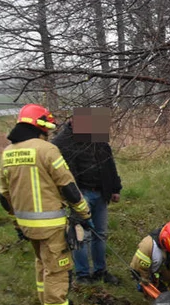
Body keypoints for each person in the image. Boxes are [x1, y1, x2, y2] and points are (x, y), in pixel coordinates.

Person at [0, 103, 92, 305]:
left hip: (27, 226)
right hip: (51, 226)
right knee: (57, 272)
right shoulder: (46, 150)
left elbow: (4, 196)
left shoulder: (8, 153)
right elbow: (68, 186)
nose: (49, 132)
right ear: (39, 126)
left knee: (41, 265)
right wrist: (84, 213)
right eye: (47, 127)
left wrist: (16, 221)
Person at [51, 107, 122, 285]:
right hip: (81, 194)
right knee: (82, 236)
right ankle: (83, 275)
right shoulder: (62, 142)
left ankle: (100, 271)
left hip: (101, 192)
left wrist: (115, 188)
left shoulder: (96, 135)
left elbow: (108, 163)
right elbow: (64, 174)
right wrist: (75, 197)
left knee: (101, 233)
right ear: (73, 121)